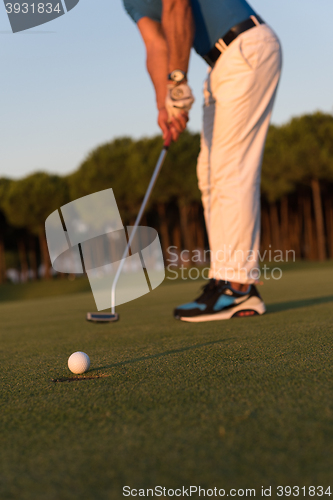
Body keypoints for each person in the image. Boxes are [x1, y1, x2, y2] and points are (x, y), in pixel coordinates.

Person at [122, 0, 282, 322]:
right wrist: (164, 104)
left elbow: (177, 6)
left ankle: (239, 288)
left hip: (245, 46)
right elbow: (156, 45)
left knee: (229, 169)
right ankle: (225, 280)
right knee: (209, 175)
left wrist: (177, 83)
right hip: (220, 64)